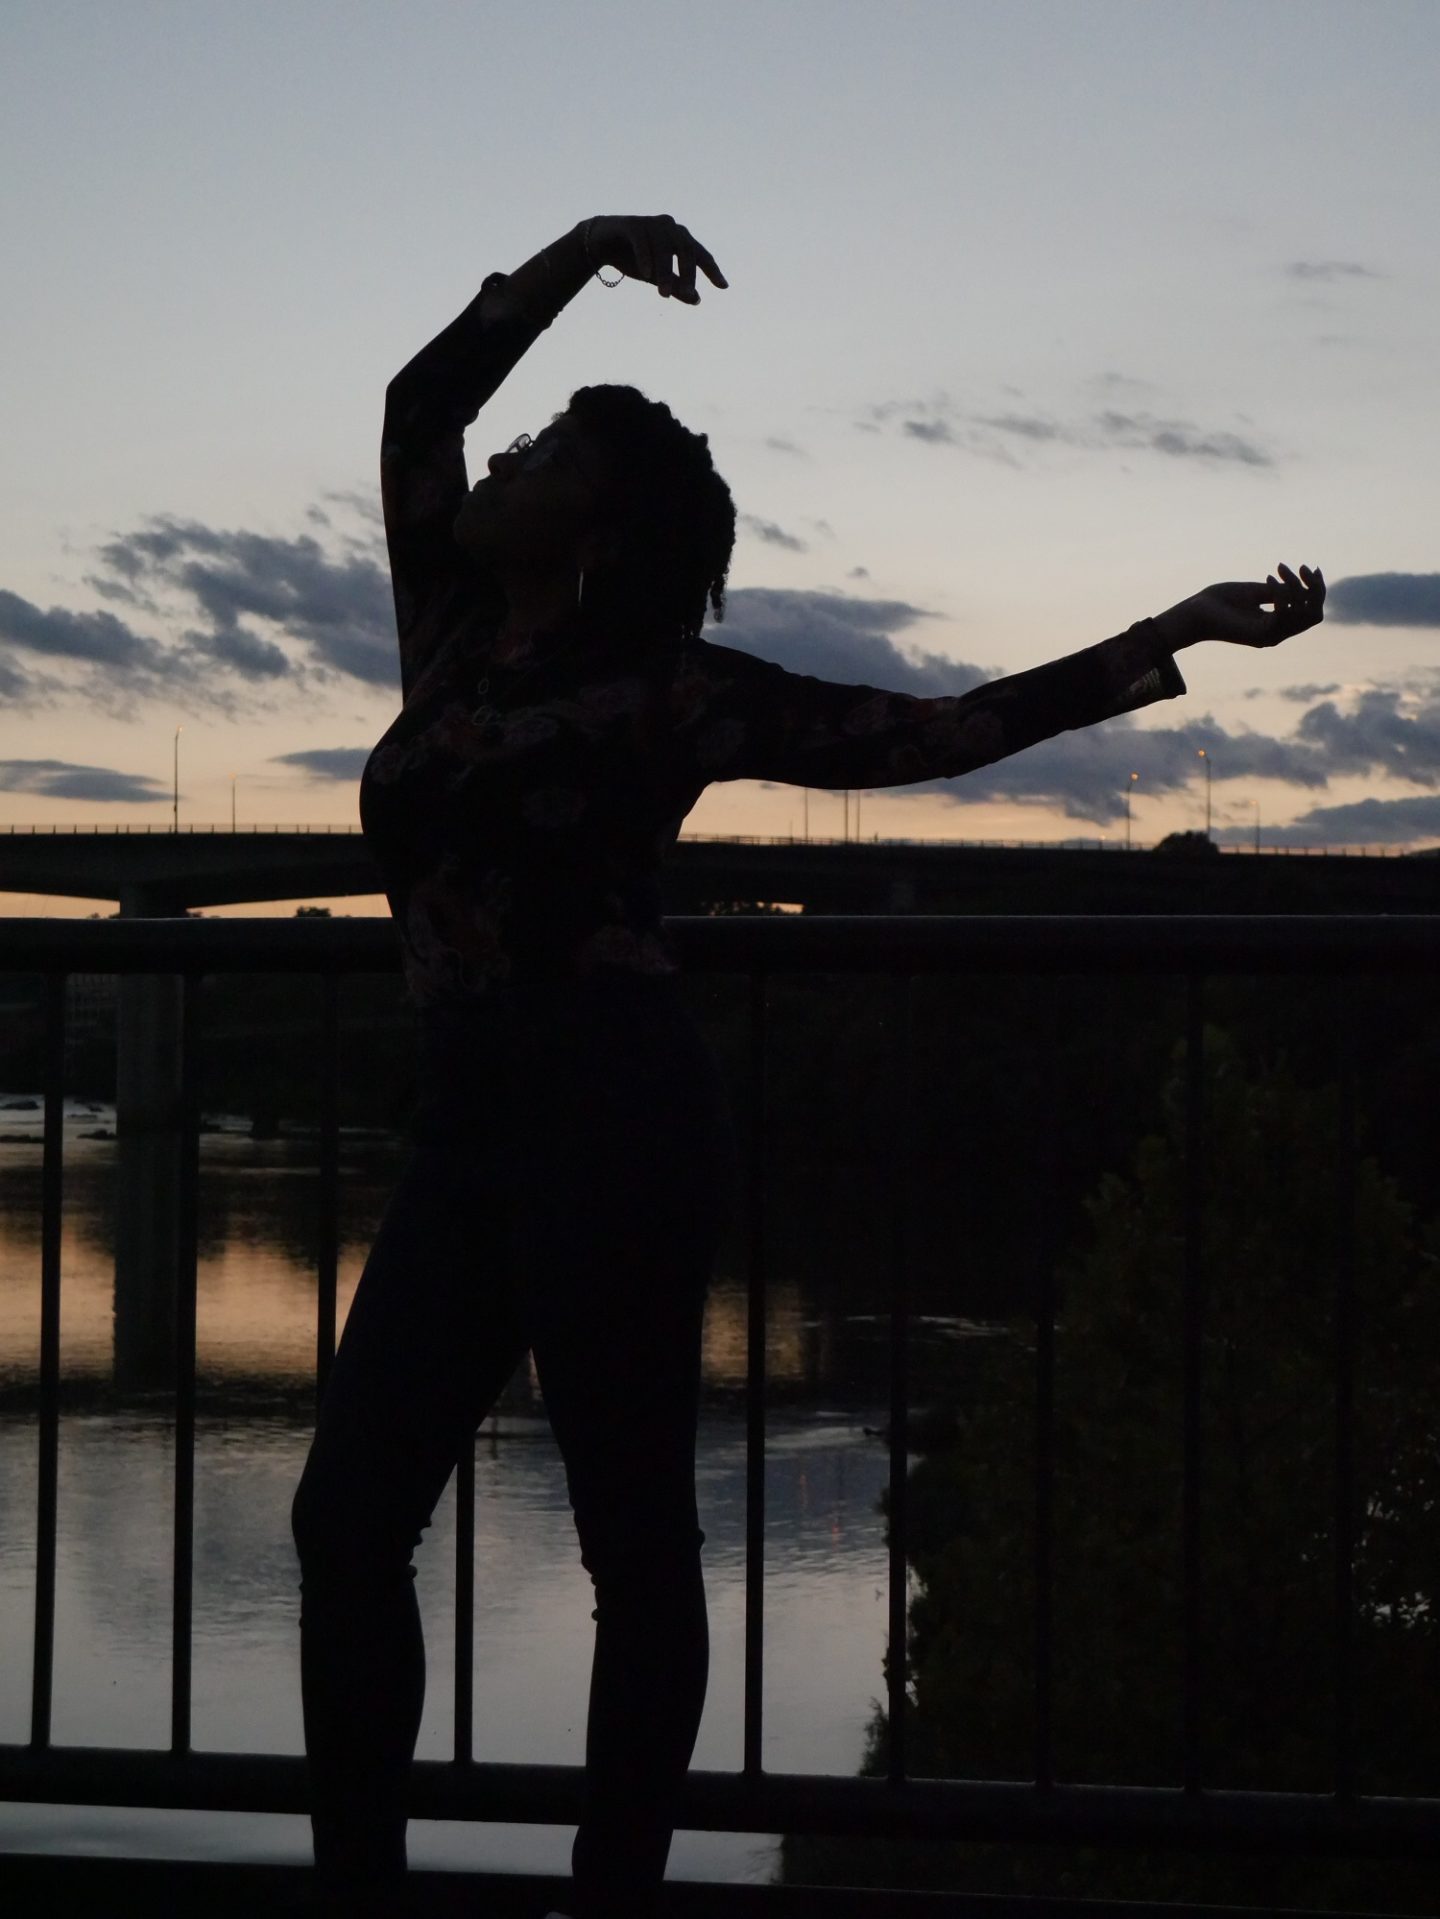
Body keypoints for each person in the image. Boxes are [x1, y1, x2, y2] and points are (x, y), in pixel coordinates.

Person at [289, 211, 1325, 1919]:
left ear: (604, 522)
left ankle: (611, 1901)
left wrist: (1176, 633)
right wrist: (579, 252)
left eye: (554, 448)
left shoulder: (676, 693)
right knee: (347, 1526)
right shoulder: (456, 633)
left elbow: (934, 734)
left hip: (616, 1119)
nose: (517, 451)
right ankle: (361, 1896)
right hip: (467, 1123)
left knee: (635, 1549)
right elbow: (420, 403)